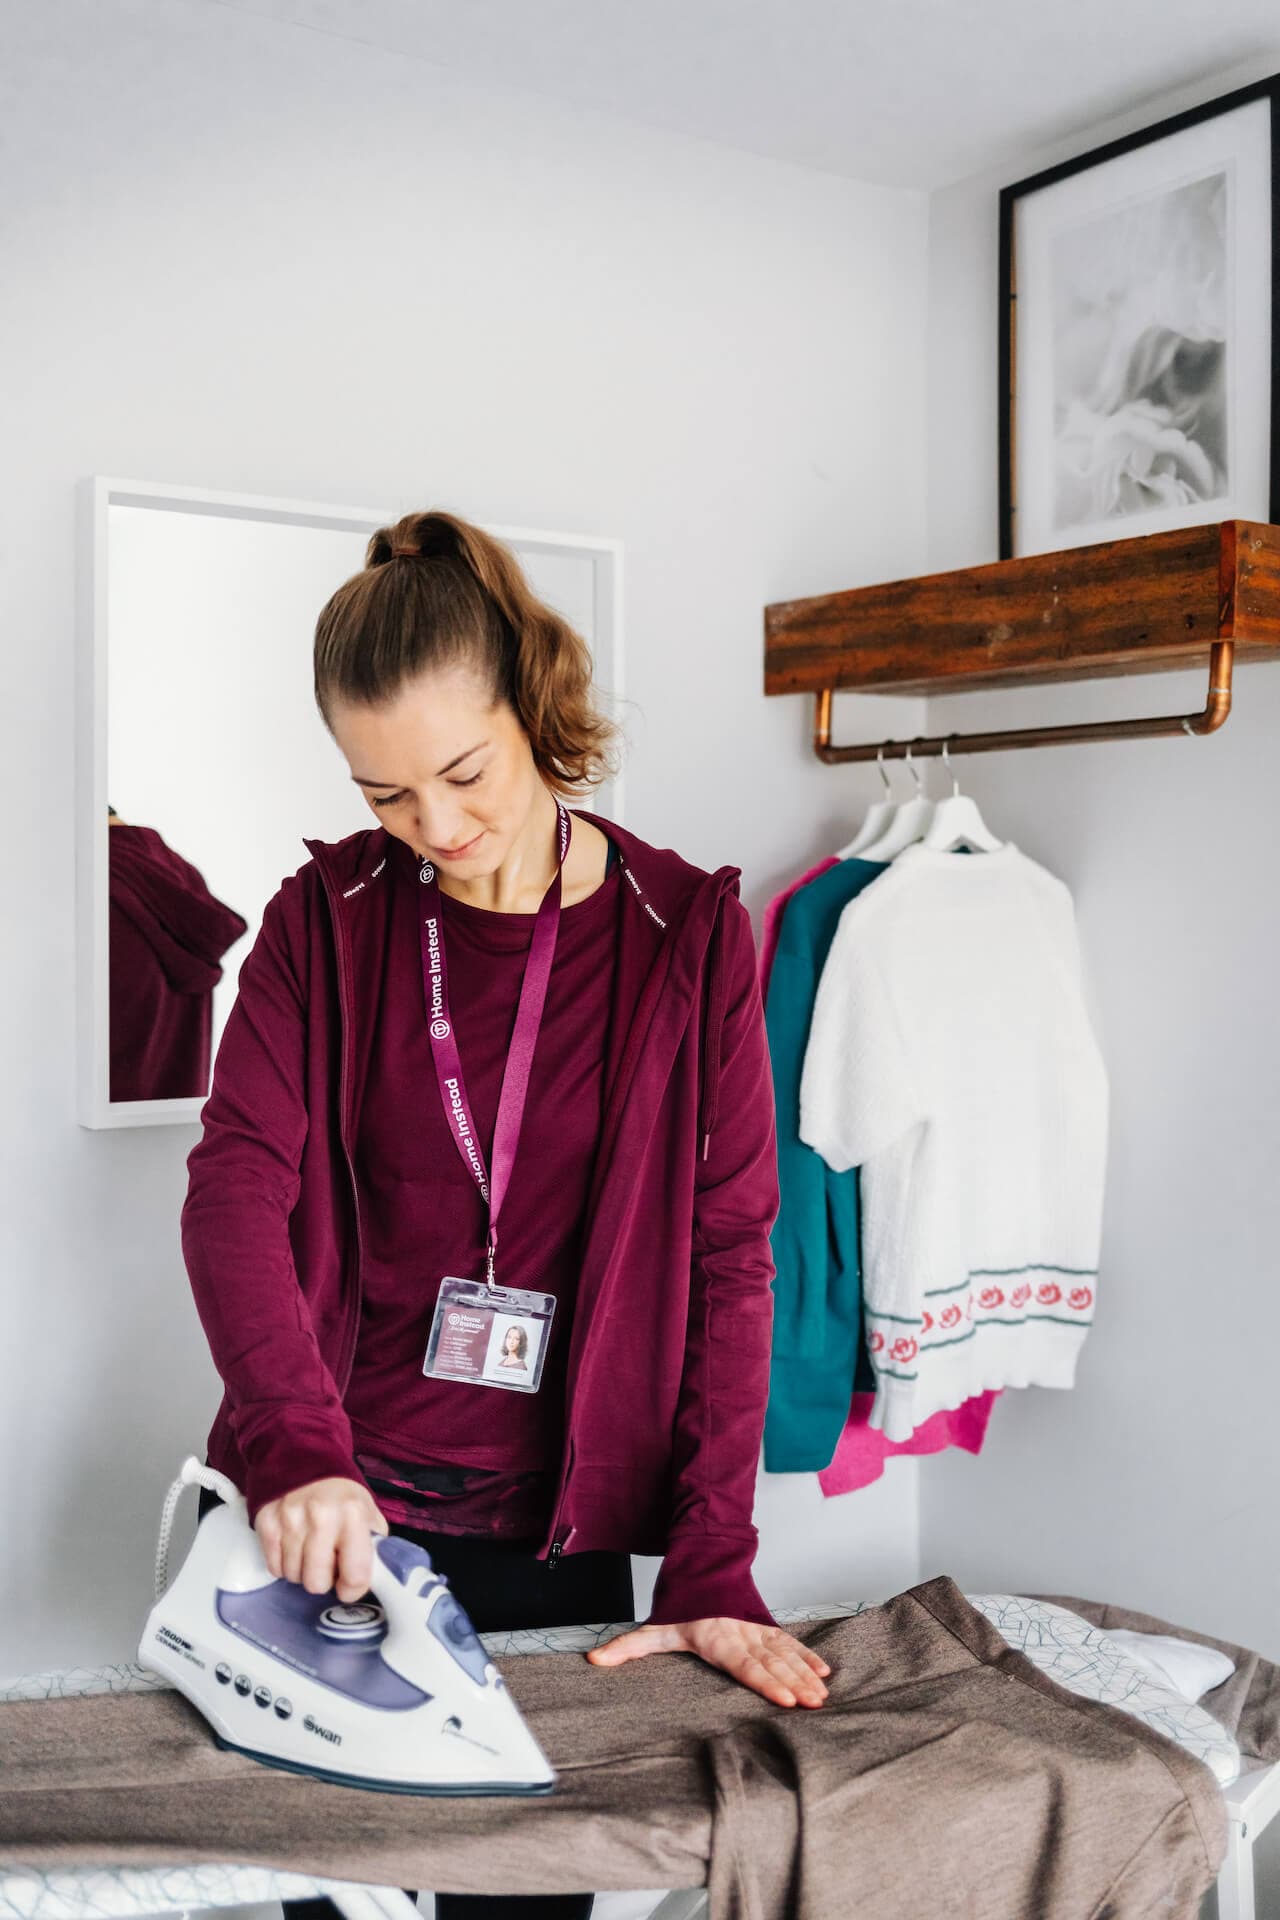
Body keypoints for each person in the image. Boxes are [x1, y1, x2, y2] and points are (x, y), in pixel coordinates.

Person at [182, 508, 830, 1920]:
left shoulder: (683, 936)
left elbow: (732, 1257)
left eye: (464, 773)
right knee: (333, 1900)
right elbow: (234, 1190)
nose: (437, 828)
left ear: (533, 704)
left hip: (558, 1537)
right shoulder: (325, 921)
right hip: (336, 1515)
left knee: (526, 1903)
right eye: (387, 796)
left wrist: (712, 1560)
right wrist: (294, 1452)